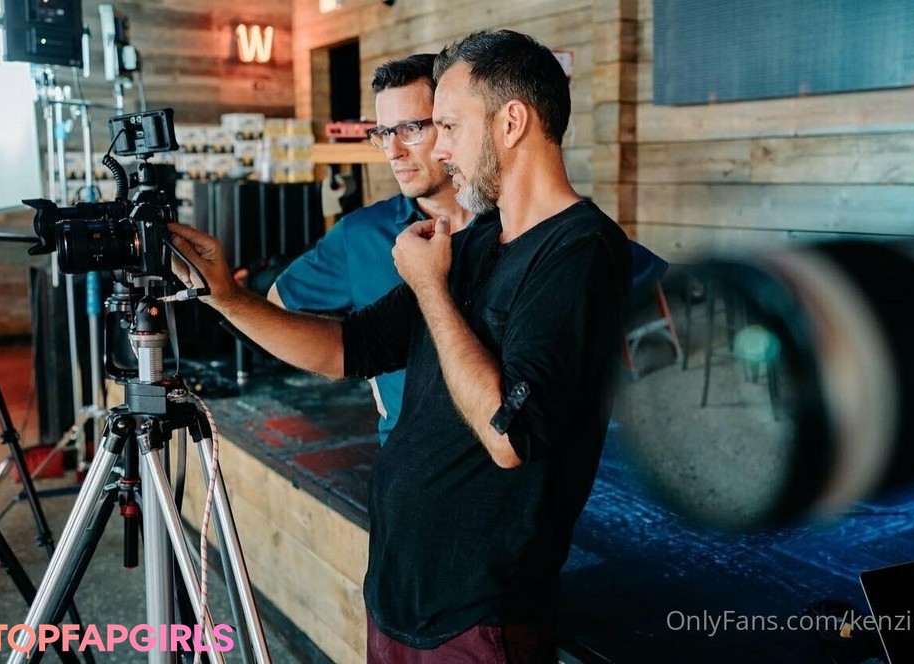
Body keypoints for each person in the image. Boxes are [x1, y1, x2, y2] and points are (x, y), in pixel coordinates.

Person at [168, 29, 631, 663]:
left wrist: (431, 289)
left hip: (479, 613)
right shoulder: (475, 243)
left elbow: (510, 434)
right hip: (397, 590)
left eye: (449, 126)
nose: (438, 148)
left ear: (512, 122)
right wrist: (225, 296)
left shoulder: (579, 251)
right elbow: (348, 348)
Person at [268, 53, 470, 444]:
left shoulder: (509, 220)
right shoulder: (360, 234)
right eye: (383, 133)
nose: (393, 151)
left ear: (450, 124)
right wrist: (357, 358)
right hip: (409, 459)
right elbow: (279, 303)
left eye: (410, 128)